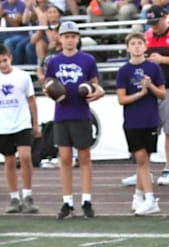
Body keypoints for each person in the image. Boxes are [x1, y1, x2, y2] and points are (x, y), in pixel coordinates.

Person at [120, 5, 169, 188]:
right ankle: (143, 171)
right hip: (148, 90)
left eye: (157, 22)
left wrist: (163, 60)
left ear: (164, 17)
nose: (154, 26)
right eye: (151, 23)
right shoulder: (147, 36)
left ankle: (168, 169)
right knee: (147, 130)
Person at [44, 21, 105, 219]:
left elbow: (95, 85)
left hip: (81, 113)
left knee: (85, 158)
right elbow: (48, 85)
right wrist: (50, 91)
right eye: (66, 36)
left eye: (72, 36)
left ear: (78, 38)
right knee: (64, 159)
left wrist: (96, 93)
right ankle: (67, 202)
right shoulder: (53, 62)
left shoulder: (87, 60)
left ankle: (86, 200)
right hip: (62, 114)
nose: (69, 39)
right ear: (60, 39)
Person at [116, 32, 167, 215]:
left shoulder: (153, 68)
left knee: (144, 160)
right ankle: (150, 198)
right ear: (128, 48)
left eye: (139, 43)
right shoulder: (123, 71)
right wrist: (140, 94)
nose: (136, 46)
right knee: (141, 160)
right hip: (132, 121)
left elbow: (163, 94)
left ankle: (139, 196)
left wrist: (150, 86)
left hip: (150, 119)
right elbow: (121, 99)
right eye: (133, 44)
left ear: (145, 47)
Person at [0, 44, 40, 214]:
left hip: (22, 123)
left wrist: (35, 123)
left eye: (4, 60)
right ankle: (14, 197)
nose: (3, 64)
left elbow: (31, 101)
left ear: (11, 58)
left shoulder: (23, 77)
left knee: (25, 157)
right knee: (9, 161)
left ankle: (28, 194)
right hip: (3, 125)